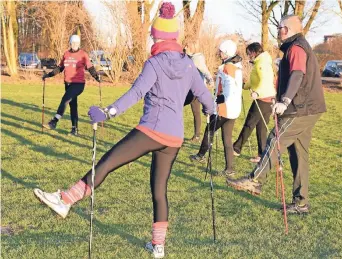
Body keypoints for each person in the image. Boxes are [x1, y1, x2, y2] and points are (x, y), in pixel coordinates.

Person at [33, 3, 214, 258]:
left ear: (159, 36)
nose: (151, 38)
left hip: (151, 130)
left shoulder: (155, 63)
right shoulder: (188, 65)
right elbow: (205, 97)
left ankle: (65, 200)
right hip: (174, 138)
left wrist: (108, 112)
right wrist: (212, 111)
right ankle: (158, 246)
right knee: (159, 190)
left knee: (107, 163)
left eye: (153, 35)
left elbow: (136, 93)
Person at [227, 15, 326, 215]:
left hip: (300, 108)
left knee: (276, 138)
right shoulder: (296, 46)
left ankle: (255, 180)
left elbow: (298, 74)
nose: (277, 30)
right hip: (309, 108)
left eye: (279, 27)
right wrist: (279, 97)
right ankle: (301, 203)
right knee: (298, 154)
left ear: (287, 29)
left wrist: (286, 100)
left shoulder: (297, 47)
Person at [190, 40, 243, 176]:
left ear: (226, 52)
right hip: (232, 109)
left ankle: (201, 155)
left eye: (221, 51)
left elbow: (230, 88)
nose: (219, 53)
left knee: (209, 131)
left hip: (224, 109)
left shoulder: (228, 67)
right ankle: (230, 168)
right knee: (227, 138)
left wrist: (220, 101)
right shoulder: (236, 66)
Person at [42, 35, 101, 136]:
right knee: (73, 106)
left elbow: (90, 67)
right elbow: (59, 68)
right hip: (68, 84)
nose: (75, 45)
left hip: (78, 84)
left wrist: (96, 77)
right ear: (70, 43)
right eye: (73, 43)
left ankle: (54, 121)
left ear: (79, 44)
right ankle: (75, 129)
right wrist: (48, 75)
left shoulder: (83, 54)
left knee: (65, 99)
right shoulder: (66, 54)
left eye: (76, 43)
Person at [232, 42, 276, 163]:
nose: (248, 56)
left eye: (248, 53)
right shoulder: (261, 61)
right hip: (267, 98)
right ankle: (262, 154)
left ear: (254, 52)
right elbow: (254, 80)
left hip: (263, 98)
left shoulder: (262, 63)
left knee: (249, 123)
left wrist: (257, 92)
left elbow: (265, 80)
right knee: (261, 127)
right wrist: (244, 86)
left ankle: (236, 148)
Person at [183, 38, 214, 143]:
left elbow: (205, 70)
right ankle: (196, 136)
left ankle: (173, 132)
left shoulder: (196, 59)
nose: (184, 48)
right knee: (196, 112)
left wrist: (210, 80)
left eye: (186, 46)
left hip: (195, 90)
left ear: (191, 47)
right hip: (192, 89)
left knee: (176, 105)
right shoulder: (190, 57)